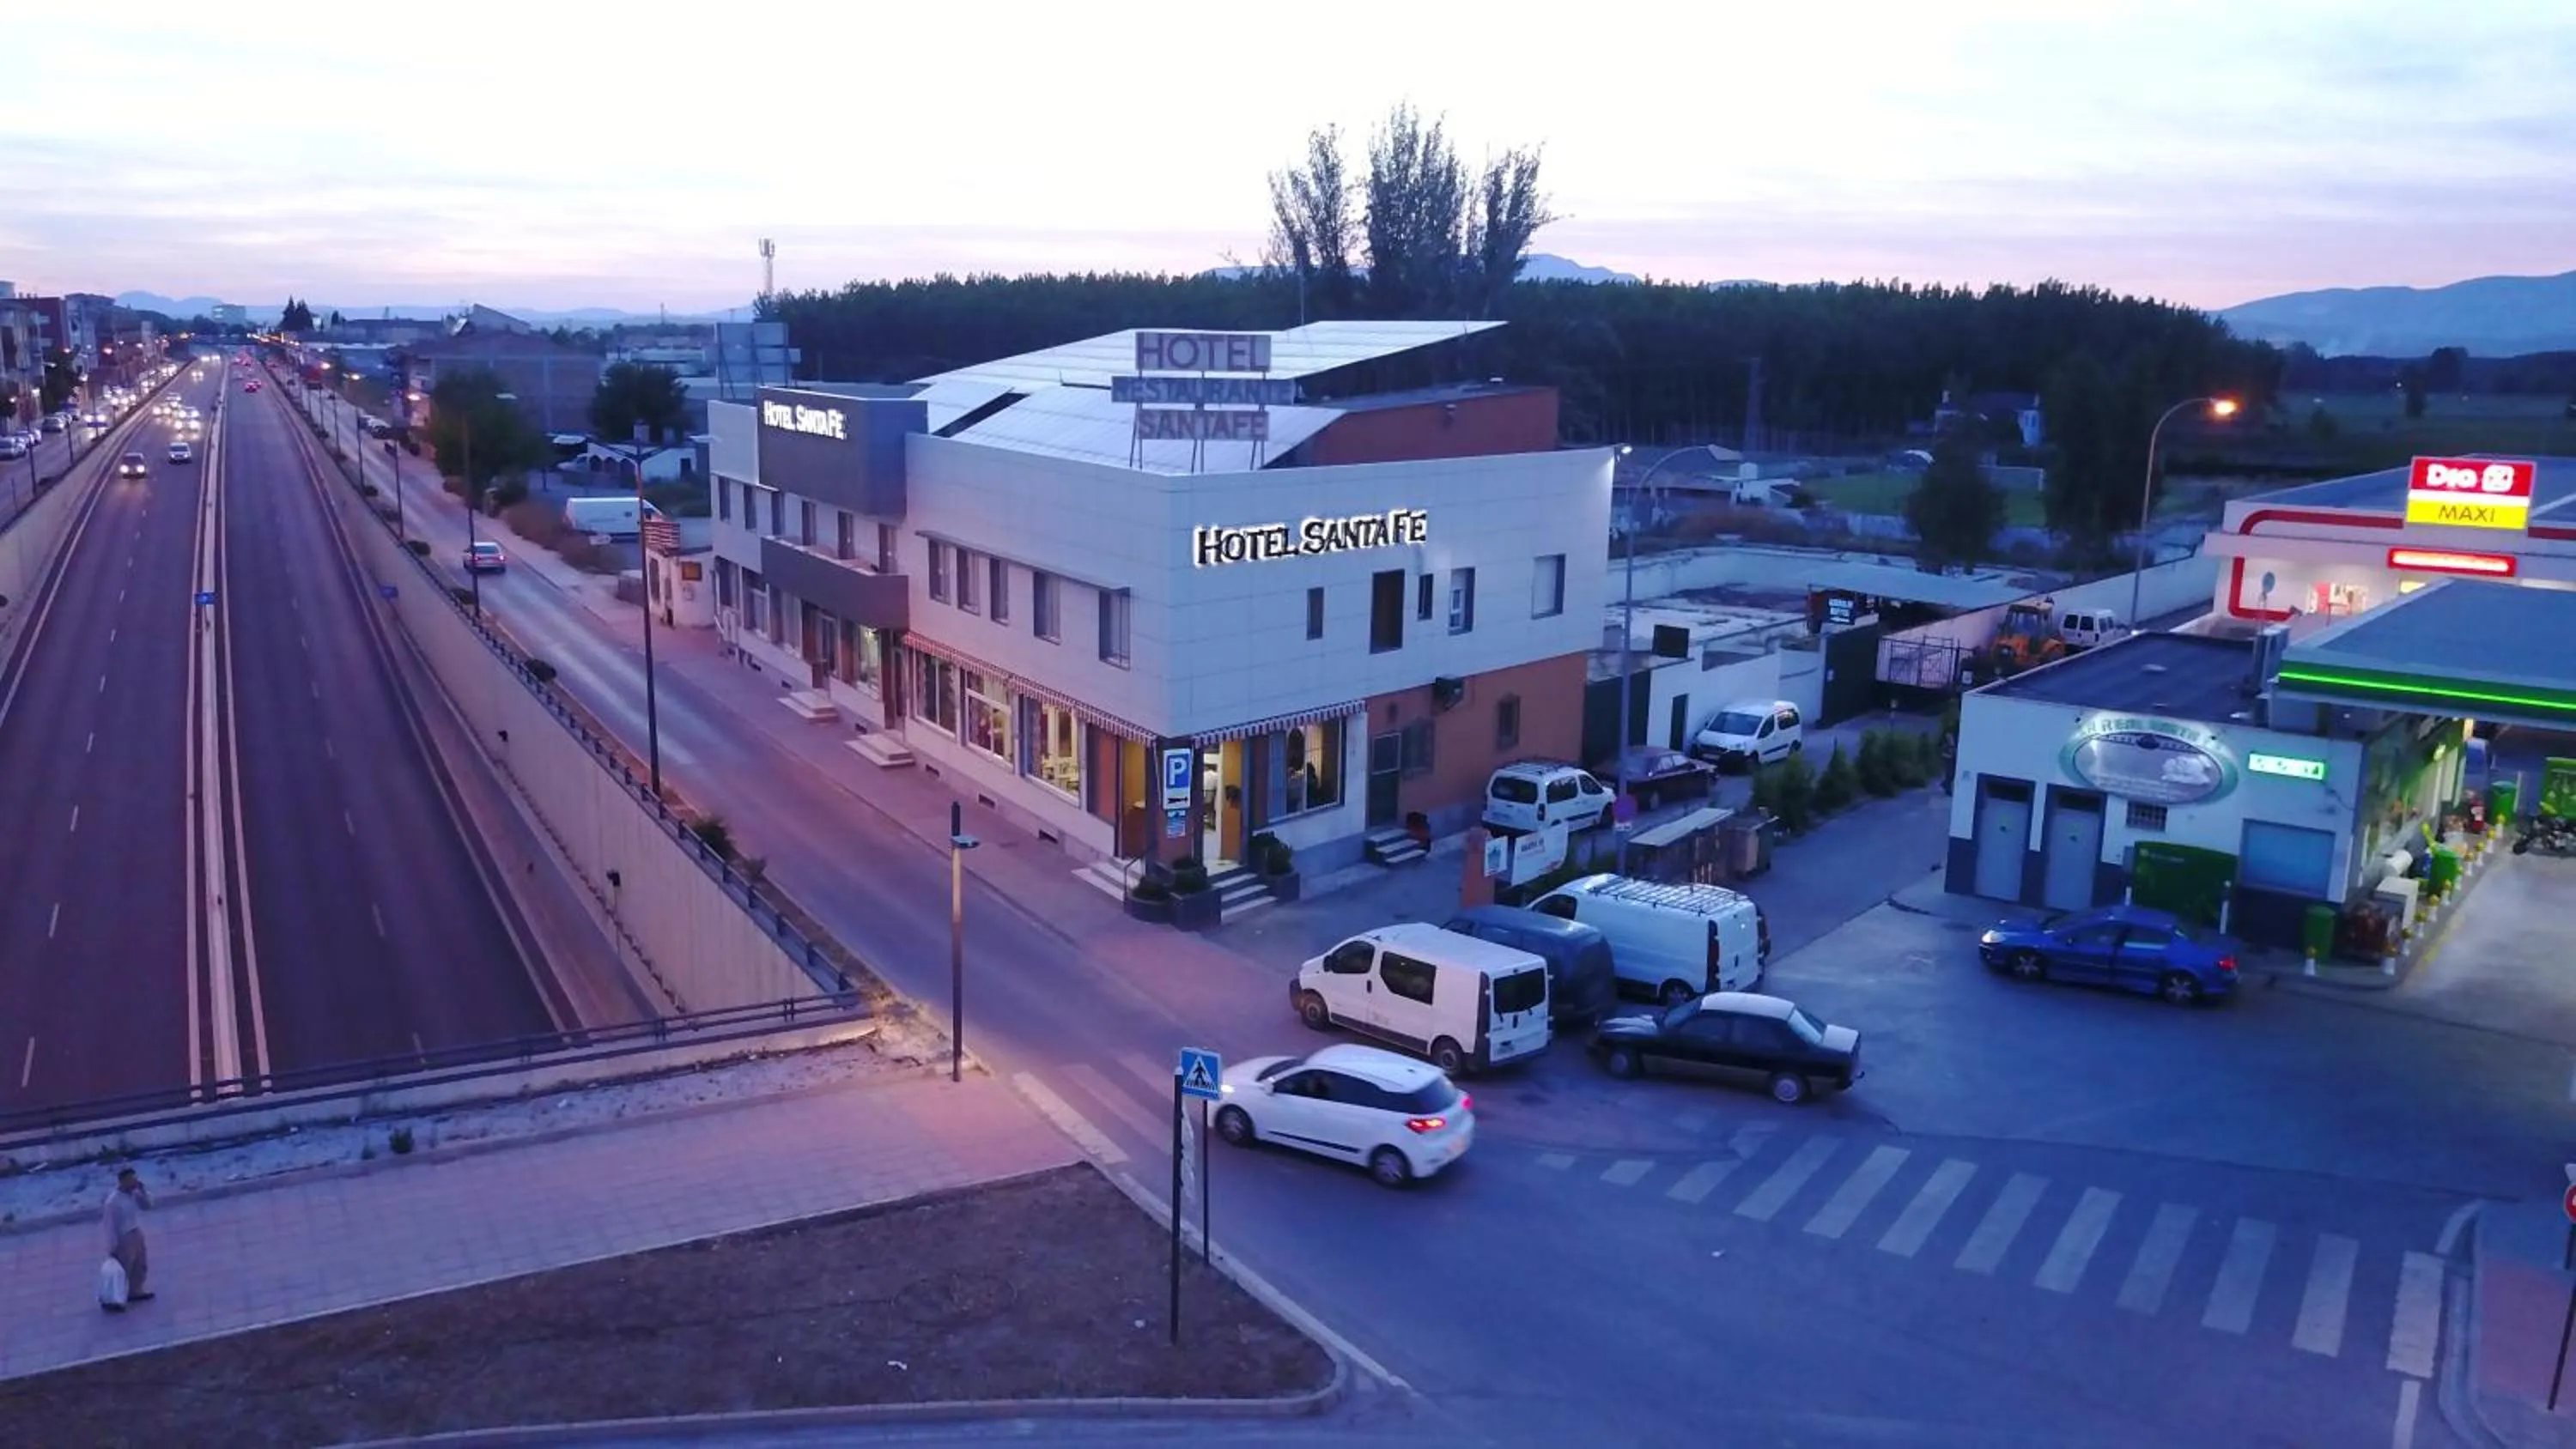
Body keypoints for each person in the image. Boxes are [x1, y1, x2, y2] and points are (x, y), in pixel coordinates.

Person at [102, 1167, 154, 1309]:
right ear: (122, 1181)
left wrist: (143, 1191)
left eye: (135, 1179)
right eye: (130, 1180)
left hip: (135, 1230)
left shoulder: (134, 1194)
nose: (133, 1182)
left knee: (140, 1264)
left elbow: (148, 1206)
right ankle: (117, 1298)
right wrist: (112, 1246)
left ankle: (135, 1290)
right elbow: (109, 1225)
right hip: (123, 1237)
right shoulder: (112, 1202)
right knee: (125, 1268)